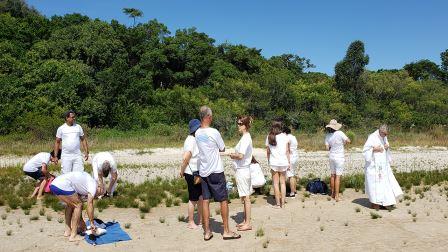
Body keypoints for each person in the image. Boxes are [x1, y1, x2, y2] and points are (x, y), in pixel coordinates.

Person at [195, 106, 240, 241]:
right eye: (211, 116)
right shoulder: (214, 132)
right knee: (223, 200)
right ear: (208, 117)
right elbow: (222, 148)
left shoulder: (197, 133)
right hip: (215, 170)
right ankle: (226, 230)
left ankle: (207, 231)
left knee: (206, 200)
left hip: (204, 171)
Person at [49, 171, 102, 242]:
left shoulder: (85, 184)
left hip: (54, 184)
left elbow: (76, 208)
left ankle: (68, 231)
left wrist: (82, 222)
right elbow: (89, 204)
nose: (97, 196)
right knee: (78, 205)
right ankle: (73, 236)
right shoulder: (93, 186)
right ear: (99, 187)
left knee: (71, 205)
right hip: (62, 184)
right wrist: (92, 223)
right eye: (99, 194)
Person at [363, 125, 403, 209]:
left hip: (383, 164)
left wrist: (387, 147)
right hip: (373, 166)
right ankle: (375, 203)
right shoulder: (372, 137)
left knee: (384, 183)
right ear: (380, 132)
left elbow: (386, 145)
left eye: (386, 134)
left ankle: (385, 202)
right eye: (385, 134)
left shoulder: (384, 137)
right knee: (374, 185)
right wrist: (374, 149)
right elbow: (365, 150)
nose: (386, 136)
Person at [229, 116, 253, 231]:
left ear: (245, 125)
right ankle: (245, 220)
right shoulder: (245, 137)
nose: (238, 126)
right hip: (243, 170)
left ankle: (247, 223)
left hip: (243, 170)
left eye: (240, 124)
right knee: (244, 197)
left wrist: (232, 155)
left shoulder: (245, 138)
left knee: (246, 197)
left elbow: (240, 155)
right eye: (238, 123)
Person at [179, 119, 203, 229]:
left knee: (201, 197)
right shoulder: (190, 140)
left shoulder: (197, 139)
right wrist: (182, 170)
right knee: (193, 198)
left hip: (198, 172)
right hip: (191, 173)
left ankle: (202, 219)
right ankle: (191, 221)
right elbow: (186, 158)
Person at [325, 119, 351, 202]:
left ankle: (332, 193)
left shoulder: (328, 135)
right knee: (338, 177)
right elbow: (348, 141)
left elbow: (327, 148)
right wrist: (343, 143)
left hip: (331, 156)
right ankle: (337, 196)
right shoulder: (340, 133)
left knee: (332, 175)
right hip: (339, 157)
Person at [266, 121, 290, 208]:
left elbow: (268, 152)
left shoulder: (269, 136)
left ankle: (277, 203)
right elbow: (287, 151)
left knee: (275, 183)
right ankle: (283, 203)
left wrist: (269, 161)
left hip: (274, 162)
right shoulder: (285, 136)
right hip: (283, 161)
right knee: (282, 183)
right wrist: (289, 162)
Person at [284, 125, 299, 198]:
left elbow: (287, 149)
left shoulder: (287, 138)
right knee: (293, 174)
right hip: (296, 156)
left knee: (290, 175)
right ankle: (295, 190)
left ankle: (292, 192)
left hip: (291, 157)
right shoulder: (294, 137)